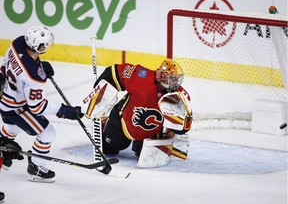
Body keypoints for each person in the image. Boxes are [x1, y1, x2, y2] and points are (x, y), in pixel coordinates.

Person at [0, 26, 83, 183]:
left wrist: (39, 64)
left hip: (4, 97)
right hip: (16, 107)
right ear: (38, 46)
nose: (46, 47)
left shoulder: (18, 43)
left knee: (12, 127)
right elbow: (36, 107)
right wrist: (63, 110)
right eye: (44, 44)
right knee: (47, 133)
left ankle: (2, 150)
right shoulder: (33, 76)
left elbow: (8, 63)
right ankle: (36, 168)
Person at [91, 59, 192, 157]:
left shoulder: (177, 95)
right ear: (163, 77)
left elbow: (184, 122)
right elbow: (113, 72)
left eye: (176, 79)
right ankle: (106, 124)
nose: (176, 83)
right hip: (125, 120)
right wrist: (97, 90)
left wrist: (179, 127)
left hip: (151, 129)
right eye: (173, 79)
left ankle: (141, 143)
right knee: (114, 146)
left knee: (147, 154)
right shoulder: (141, 77)